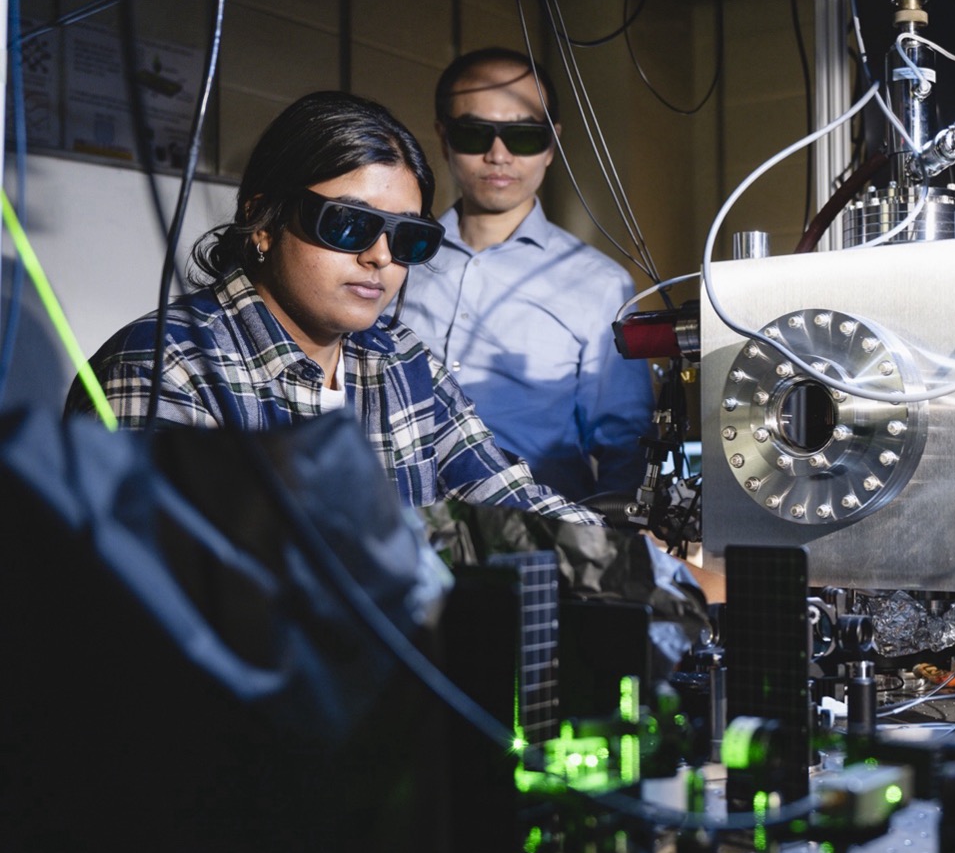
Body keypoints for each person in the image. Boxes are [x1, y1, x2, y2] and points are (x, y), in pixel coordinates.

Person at [64, 90, 603, 527]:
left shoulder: (402, 362)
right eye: (348, 224)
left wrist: (643, 562)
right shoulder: (165, 368)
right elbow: (155, 584)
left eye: (407, 237)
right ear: (264, 222)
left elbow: (512, 503)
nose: (380, 257)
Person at [400, 47, 654, 505]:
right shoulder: (396, 259)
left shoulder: (600, 284)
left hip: (536, 532)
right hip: (401, 529)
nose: (498, 155)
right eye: (475, 133)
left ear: (552, 144)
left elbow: (624, 446)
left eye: (523, 136)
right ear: (444, 137)